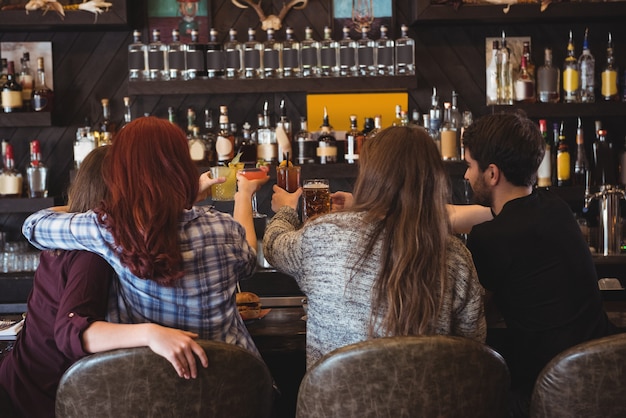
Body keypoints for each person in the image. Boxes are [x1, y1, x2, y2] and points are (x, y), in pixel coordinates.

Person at [22, 116, 268, 359]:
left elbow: (33, 225)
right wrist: (243, 195)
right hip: (232, 383)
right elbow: (248, 261)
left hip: (149, 387)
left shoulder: (108, 228)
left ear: (121, 172)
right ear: (183, 165)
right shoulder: (224, 228)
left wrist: (94, 207)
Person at [1, 146, 208, 418]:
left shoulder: (65, 236)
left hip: (23, 383)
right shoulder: (92, 256)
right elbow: (71, 329)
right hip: (45, 401)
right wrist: (151, 333)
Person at [263, 126, 486, 368]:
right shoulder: (455, 257)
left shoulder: (324, 234)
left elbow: (273, 246)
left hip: (334, 403)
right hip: (426, 403)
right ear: (435, 179)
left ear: (369, 175)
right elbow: (471, 349)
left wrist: (286, 209)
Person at [461, 111, 617, 417]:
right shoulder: (554, 206)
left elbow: (477, 315)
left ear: (492, 174)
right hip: (607, 376)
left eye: (469, 166)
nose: (466, 176)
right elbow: (505, 216)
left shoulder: (490, 239)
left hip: (551, 392)